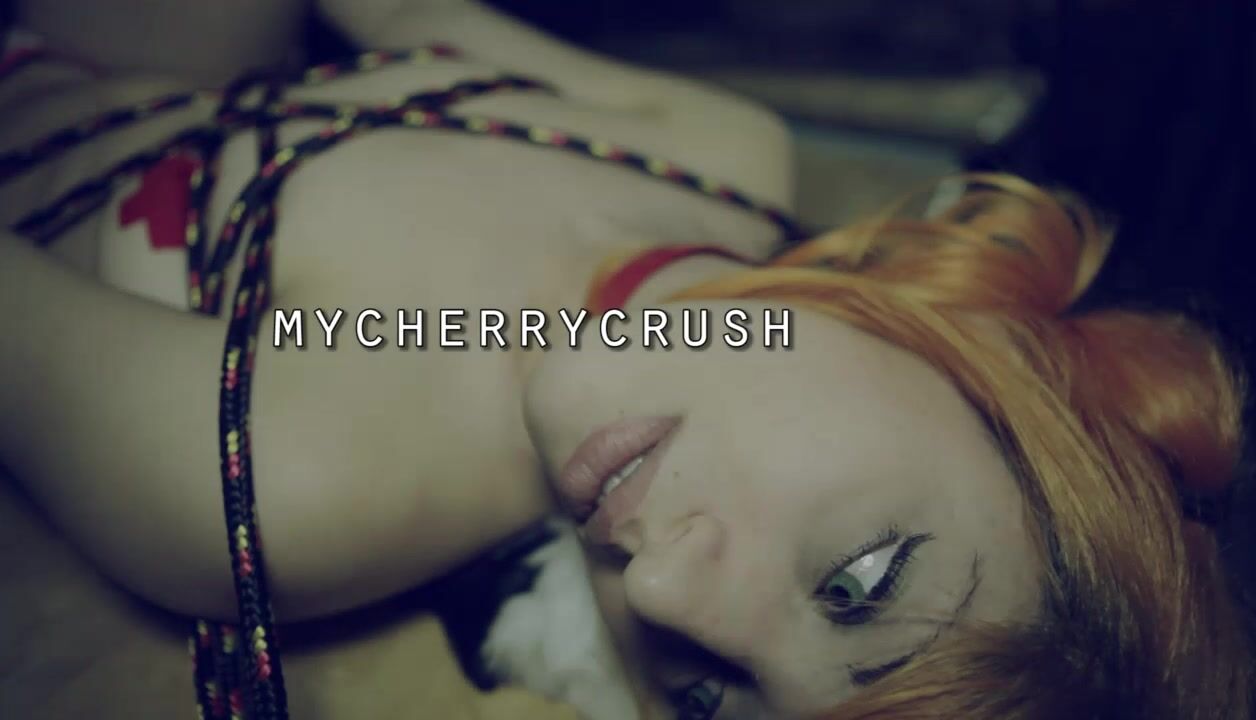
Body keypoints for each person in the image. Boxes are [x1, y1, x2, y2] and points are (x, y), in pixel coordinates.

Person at [0, 1, 1251, 718]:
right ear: (990, 362)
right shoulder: (725, 154)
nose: (661, 600)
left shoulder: (299, 484)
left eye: (705, 703)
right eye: (855, 582)